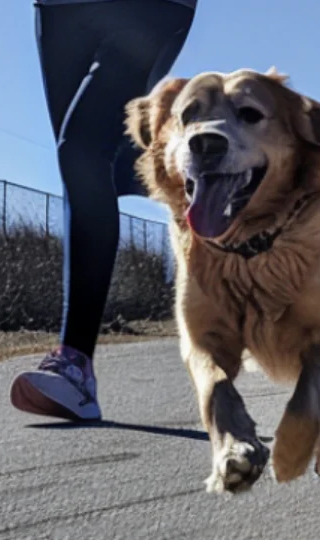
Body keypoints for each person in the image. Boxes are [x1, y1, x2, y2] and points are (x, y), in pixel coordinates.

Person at [10, 0, 198, 421]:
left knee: (80, 148)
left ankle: (74, 364)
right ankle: (218, 199)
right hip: (61, 11)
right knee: (94, 168)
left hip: (149, 9)